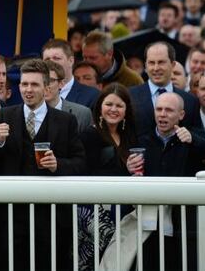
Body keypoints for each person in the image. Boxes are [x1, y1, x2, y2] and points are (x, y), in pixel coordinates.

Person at [0, 59, 85, 271]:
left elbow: (81, 162)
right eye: (24, 84)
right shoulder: (4, 115)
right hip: (12, 214)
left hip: (51, 215)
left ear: (47, 88)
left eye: (34, 85)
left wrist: (58, 165)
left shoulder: (65, 121)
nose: (28, 90)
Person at [125, 92, 205, 270]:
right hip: (148, 222)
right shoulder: (142, 140)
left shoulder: (189, 138)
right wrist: (130, 169)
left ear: (181, 115)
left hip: (182, 223)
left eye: (169, 110)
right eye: (159, 109)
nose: (162, 114)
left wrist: (193, 140)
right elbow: (129, 173)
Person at [78, 84, 139, 270]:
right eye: (109, 104)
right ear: (100, 107)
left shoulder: (130, 136)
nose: (113, 109)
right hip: (95, 208)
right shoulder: (89, 135)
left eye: (119, 106)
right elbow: (85, 170)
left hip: (125, 207)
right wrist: (125, 168)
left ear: (126, 110)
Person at [128, 42, 203, 137]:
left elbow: (200, 140)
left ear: (173, 65)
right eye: (151, 63)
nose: (156, 68)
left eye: (161, 62)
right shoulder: (129, 96)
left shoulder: (190, 101)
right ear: (145, 67)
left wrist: (190, 137)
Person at [42, 39, 100, 107]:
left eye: (56, 58)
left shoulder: (92, 95)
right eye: (47, 60)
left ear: (71, 61)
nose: (51, 62)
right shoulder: (36, 92)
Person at [44, 60, 93, 132]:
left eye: (50, 80)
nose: (45, 86)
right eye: (40, 81)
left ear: (61, 83)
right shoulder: (23, 113)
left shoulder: (82, 114)